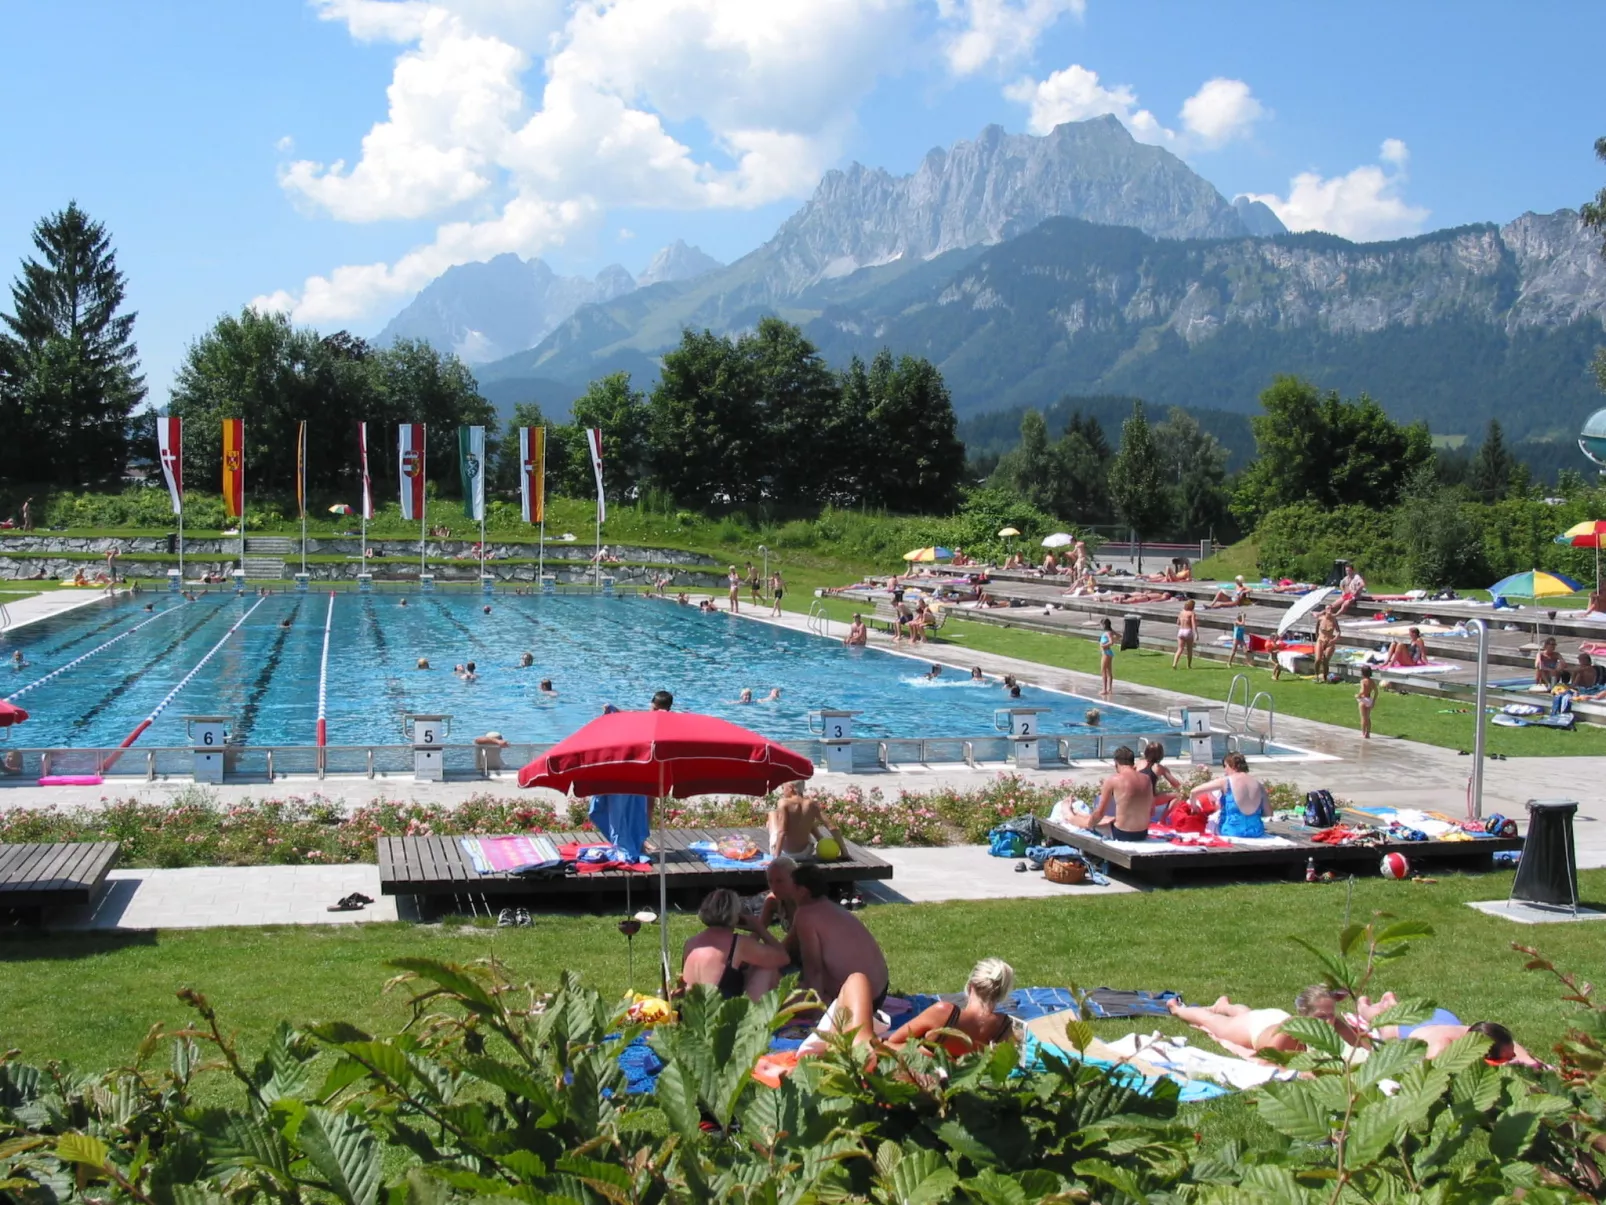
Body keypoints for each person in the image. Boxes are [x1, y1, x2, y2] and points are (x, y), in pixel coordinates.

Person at [783, 864, 889, 1005]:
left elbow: (813, 969)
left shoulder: (806, 915)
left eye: (790, 886)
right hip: (880, 991)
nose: (788, 892)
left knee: (782, 1006)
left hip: (860, 1000)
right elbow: (786, 948)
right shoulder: (829, 907)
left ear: (802, 891)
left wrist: (814, 1006)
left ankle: (827, 1002)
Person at [681, 888, 792, 1002]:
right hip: (721, 1015)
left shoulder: (691, 943)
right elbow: (783, 958)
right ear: (738, 914)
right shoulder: (739, 943)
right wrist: (759, 928)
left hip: (692, 1014)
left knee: (750, 966)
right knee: (766, 969)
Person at [1069, 746, 1155, 842]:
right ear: (1132, 762)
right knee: (1107, 819)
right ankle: (1079, 815)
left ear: (1116, 763)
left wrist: (1089, 824)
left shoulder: (1114, 779)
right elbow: (1152, 811)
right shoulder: (1147, 779)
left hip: (1122, 834)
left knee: (1081, 821)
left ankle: (1069, 813)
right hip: (1142, 834)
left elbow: (1100, 813)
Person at [1191, 752, 1268, 838]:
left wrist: (1194, 808)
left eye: (1225, 766)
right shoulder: (1258, 784)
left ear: (1232, 766)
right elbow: (1267, 813)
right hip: (1256, 831)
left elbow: (1193, 792)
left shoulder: (1226, 781)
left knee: (1209, 822)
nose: (1225, 770)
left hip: (1231, 831)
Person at [768, 781, 838, 859]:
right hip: (805, 853)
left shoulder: (783, 803)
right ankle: (820, 839)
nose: (782, 791)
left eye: (783, 788)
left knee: (772, 814)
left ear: (790, 788)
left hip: (785, 854)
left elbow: (782, 832)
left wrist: (776, 858)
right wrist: (844, 852)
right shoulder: (812, 804)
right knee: (806, 817)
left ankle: (820, 839)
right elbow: (833, 827)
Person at [1140, 741, 1182, 816]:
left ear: (1146, 752)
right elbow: (1176, 784)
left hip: (1134, 798)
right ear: (1161, 755)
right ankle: (1163, 820)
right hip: (1150, 800)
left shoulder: (1138, 764)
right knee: (1179, 795)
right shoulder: (1160, 768)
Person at [1313, 606, 1341, 682]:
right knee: (1318, 659)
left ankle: (1325, 677)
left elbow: (1338, 631)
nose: (1330, 610)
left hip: (1330, 641)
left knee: (1325, 661)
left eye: (1331, 609)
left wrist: (1335, 639)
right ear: (1325, 610)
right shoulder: (1321, 618)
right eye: (1328, 609)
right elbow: (1316, 629)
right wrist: (1317, 638)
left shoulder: (1334, 620)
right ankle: (1316, 676)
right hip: (1320, 640)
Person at [1173, 599, 1198, 669]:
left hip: (1181, 631)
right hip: (1188, 631)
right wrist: (1196, 634)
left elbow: (1178, 622)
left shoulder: (1181, 612)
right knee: (1189, 649)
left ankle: (1174, 663)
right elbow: (1193, 624)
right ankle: (1188, 665)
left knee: (1180, 649)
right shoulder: (1192, 613)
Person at [1356, 666, 1377, 738]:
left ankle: (1363, 733)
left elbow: (1362, 690)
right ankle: (1368, 733)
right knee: (1368, 717)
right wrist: (1374, 701)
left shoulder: (1363, 681)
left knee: (1363, 717)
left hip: (1363, 699)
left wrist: (1358, 695)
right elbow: (1376, 692)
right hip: (1369, 699)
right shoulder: (1372, 681)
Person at [1098, 617, 1115, 698]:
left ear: (1104, 625)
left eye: (1101, 624)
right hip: (1108, 653)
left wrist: (1104, 646)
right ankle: (1109, 689)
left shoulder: (1107, 633)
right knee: (1108, 671)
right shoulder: (1110, 632)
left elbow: (1111, 642)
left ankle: (1104, 690)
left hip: (1106, 653)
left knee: (1103, 671)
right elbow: (1119, 636)